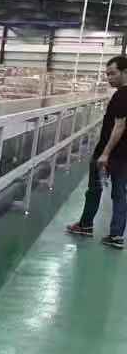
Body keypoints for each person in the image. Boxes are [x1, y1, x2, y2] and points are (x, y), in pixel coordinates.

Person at [67, 55, 127, 249]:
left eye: (113, 73)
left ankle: (86, 225)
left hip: (110, 154)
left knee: (95, 189)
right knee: (120, 193)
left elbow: (119, 126)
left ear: (125, 72)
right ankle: (116, 235)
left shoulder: (122, 95)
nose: (109, 78)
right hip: (123, 155)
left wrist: (105, 153)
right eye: (107, 74)